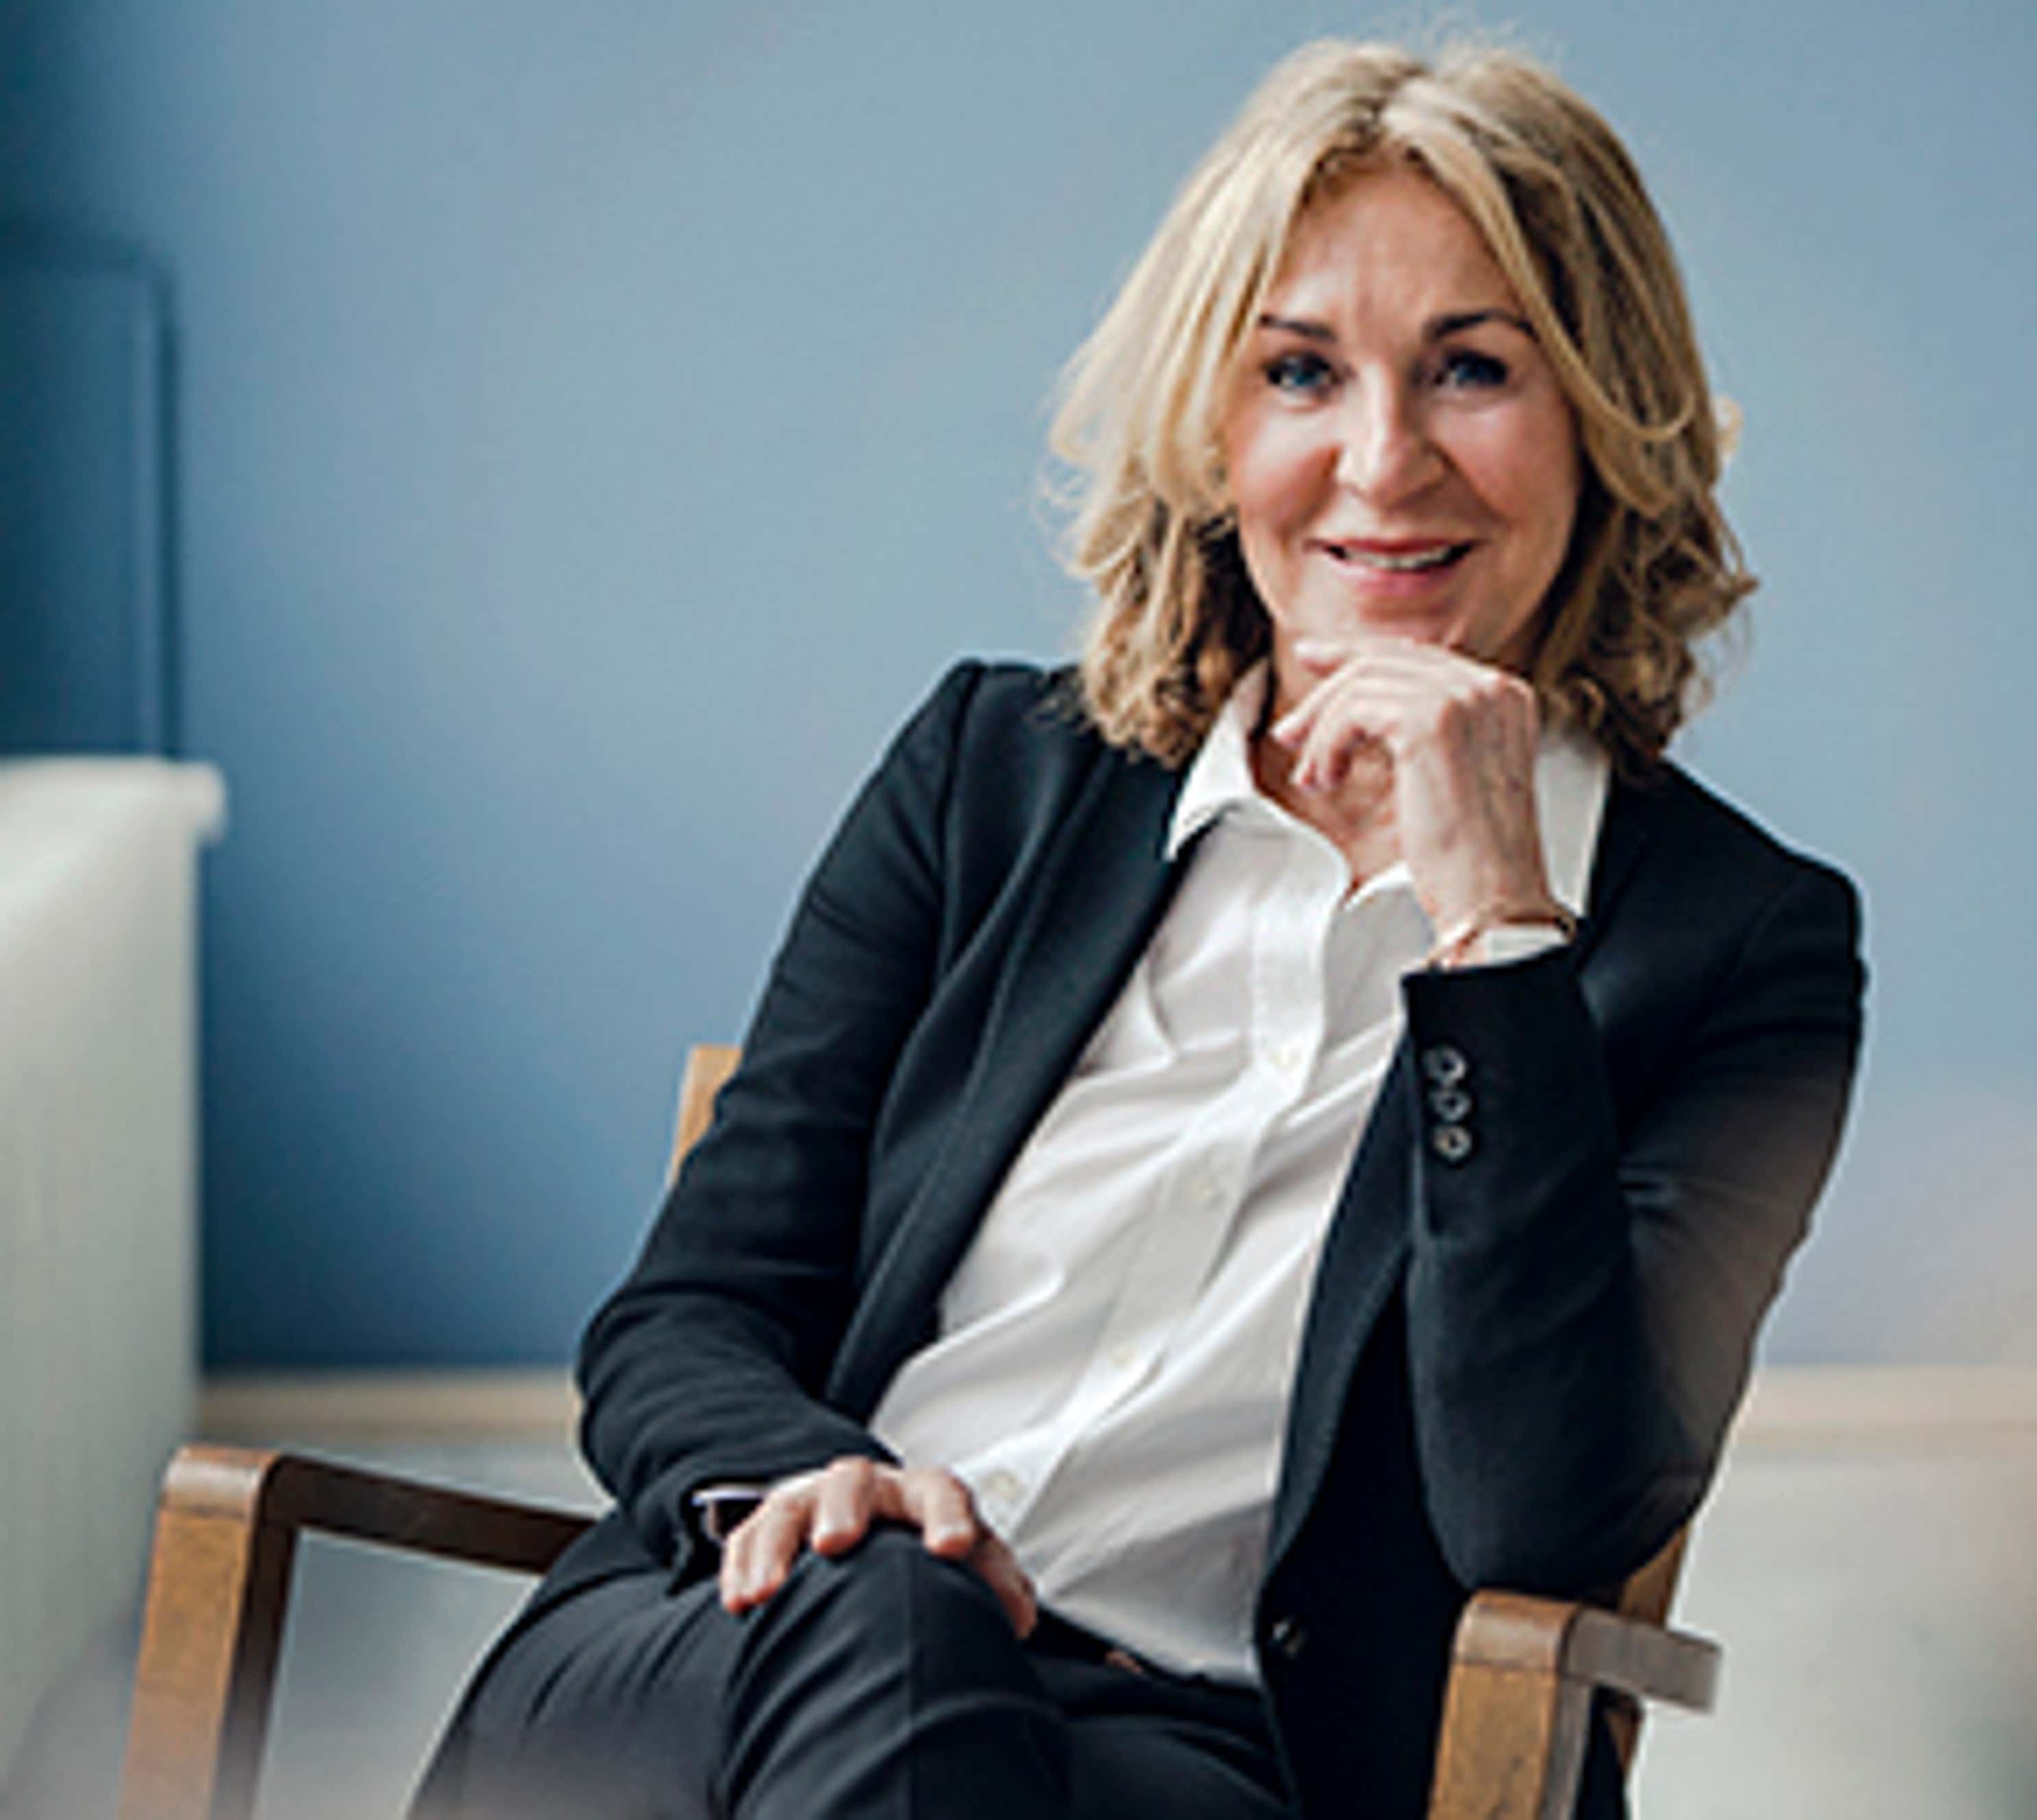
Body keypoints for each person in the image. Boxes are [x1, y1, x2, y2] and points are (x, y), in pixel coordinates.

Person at [415, 34, 1864, 1820]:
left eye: (1473, 369)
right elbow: (688, 1316)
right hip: (744, 1640)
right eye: (1302, 372)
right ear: (1213, 424)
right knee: (897, 1617)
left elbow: (1539, 1513)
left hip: (1189, 1751)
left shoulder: (1740, 949)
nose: (1380, 461)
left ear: (1604, 420)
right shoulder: (990, 776)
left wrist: (1497, 933)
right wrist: (823, 1493)